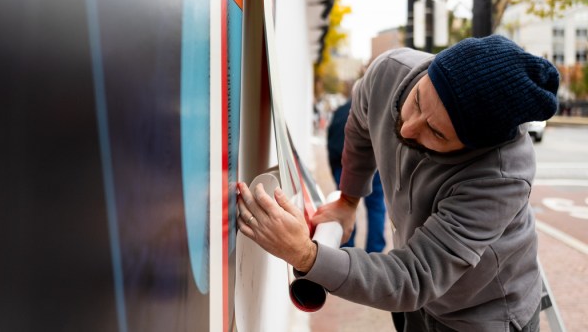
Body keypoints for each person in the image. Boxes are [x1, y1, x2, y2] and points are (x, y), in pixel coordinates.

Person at [236, 36, 559, 331]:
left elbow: (415, 276)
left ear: (472, 147)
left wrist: (307, 256)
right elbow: (361, 124)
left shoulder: (500, 177)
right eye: (418, 100)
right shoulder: (390, 72)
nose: (407, 129)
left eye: (436, 132)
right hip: (417, 306)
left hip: (481, 315)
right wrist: (348, 201)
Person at [327, 83, 386, 253]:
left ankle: (347, 250)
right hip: (374, 168)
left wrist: (335, 171)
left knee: (345, 207)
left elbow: (330, 145)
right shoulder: (377, 113)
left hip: (342, 167)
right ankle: (375, 252)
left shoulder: (339, 112)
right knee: (376, 208)